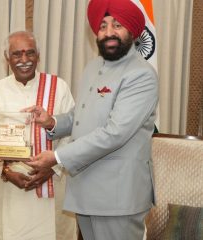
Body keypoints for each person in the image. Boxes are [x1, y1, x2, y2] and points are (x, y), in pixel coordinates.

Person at [25, 1, 159, 239]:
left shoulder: (141, 75)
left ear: (131, 30)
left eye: (117, 25)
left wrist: (56, 157)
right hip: (86, 188)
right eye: (103, 26)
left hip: (118, 196)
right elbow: (82, 115)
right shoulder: (93, 67)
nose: (109, 33)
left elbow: (115, 133)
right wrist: (52, 122)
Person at [0, 31, 78, 240]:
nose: (24, 60)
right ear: (7, 58)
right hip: (7, 188)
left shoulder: (58, 88)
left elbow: (74, 134)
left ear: (38, 56)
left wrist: (53, 168)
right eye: (17, 54)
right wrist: (5, 171)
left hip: (51, 185)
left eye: (30, 53)